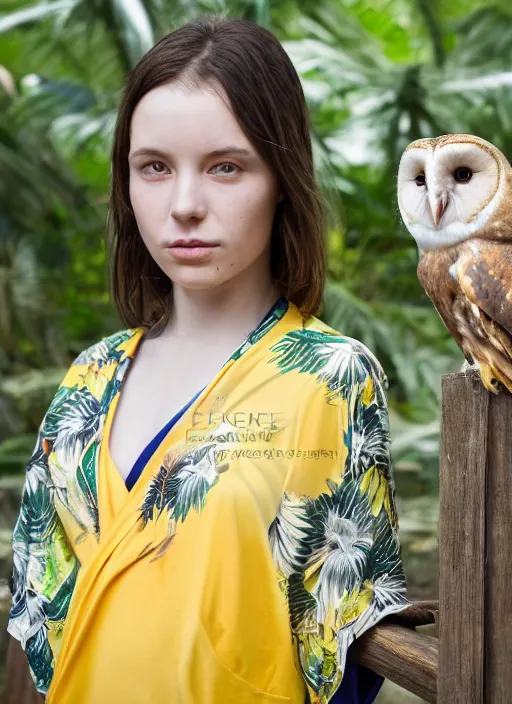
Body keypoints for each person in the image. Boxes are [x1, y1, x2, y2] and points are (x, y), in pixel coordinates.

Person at [7, 14, 409, 704]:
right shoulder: (89, 379)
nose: (184, 206)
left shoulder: (328, 378)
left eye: (226, 167)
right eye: (154, 168)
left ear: (281, 177)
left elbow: (340, 651)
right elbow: (42, 621)